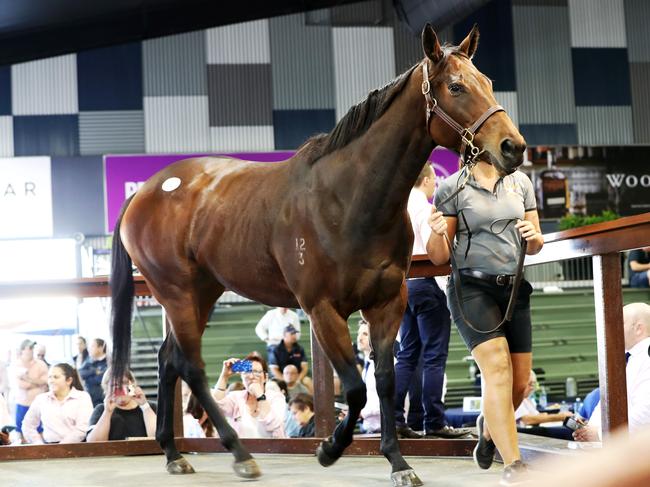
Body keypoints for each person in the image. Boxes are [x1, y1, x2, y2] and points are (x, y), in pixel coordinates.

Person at [429, 157, 544, 485]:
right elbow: (438, 256)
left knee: (520, 385)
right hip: (471, 288)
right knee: (497, 369)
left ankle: (488, 428)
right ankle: (514, 465)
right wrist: (435, 232)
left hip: (515, 288)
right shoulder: (452, 187)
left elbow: (536, 243)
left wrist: (533, 236)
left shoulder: (520, 183)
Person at [394, 164, 469, 440]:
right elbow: (434, 252)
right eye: (434, 181)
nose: (435, 185)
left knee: (407, 354)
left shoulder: (399, 208)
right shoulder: (425, 210)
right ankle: (434, 422)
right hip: (426, 286)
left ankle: (396, 419)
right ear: (426, 180)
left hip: (404, 286)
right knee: (434, 357)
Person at [573, 302, 650, 442]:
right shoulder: (629, 358)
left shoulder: (646, 359)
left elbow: (646, 412)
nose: (614, 328)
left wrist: (601, 434)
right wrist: (589, 430)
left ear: (639, 329)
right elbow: (607, 402)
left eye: (620, 323)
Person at [212, 353, 286, 438]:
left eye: (256, 372)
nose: (251, 376)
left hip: (270, 450)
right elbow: (216, 407)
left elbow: (273, 425)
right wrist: (224, 376)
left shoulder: (276, 398)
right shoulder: (236, 397)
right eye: (247, 372)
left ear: (265, 377)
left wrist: (259, 394)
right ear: (242, 378)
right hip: (242, 450)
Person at [21, 363, 93, 444]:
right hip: (49, 449)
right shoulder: (41, 399)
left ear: (69, 380)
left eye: (56, 377)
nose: (51, 381)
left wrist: (60, 447)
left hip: (76, 447)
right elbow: (27, 425)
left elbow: (82, 428)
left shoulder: (82, 397)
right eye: (49, 377)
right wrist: (39, 444)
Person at [86, 369, 156, 441]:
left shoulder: (151, 407)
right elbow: (94, 443)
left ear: (132, 385)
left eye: (124, 383)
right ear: (107, 389)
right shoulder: (101, 410)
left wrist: (144, 406)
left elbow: (159, 438)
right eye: (114, 385)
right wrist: (107, 412)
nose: (120, 389)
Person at [14, 339, 48, 440]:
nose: (32, 350)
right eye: (29, 348)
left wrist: (27, 379)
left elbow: (45, 381)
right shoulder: (17, 364)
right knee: (20, 431)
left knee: (39, 430)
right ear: (22, 350)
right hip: (22, 403)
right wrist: (37, 383)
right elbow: (21, 384)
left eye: (33, 348)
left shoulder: (41, 364)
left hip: (37, 403)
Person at [268, 325, 312, 392]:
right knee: (272, 385)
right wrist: (285, 379)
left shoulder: (300, 349)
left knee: (308, 382)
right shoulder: (276, 350)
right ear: (284, 335)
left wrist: (298, 380)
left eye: (295, 334)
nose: (294, 336)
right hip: (281, 377)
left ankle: (310, 402)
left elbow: (304, 368)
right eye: (292, 334)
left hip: (297, 377)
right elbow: (274, 369)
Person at [357, 321, 380, 433]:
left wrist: (361, 413)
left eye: (365, 334)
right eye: (359, 333)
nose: (359, 338)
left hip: (381, 429)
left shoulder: (382, 367)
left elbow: (386, 402)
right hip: (369, 427)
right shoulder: (368, 365)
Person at [78, 338, 108, 407]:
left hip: (101, 400)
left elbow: (100, 380)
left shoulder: (108, 362)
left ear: (100, 348)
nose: (89, 349)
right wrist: (94, 371)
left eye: (92, 346)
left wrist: (87, 378)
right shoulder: (88, 360)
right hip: (89, 398)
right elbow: (80, 373)